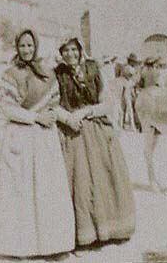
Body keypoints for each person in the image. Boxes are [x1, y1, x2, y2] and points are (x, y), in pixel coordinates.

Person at [0, 29, 75, 258]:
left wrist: (67, 118)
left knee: (48, 191)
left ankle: (53, 246)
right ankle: (21, 247)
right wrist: (34, 117)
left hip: (44, 139)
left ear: (36, 46)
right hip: (20, 136)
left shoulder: (47, 74)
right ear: (17, 48)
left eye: (30, 45)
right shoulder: (10, 74)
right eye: (22, 46)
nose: (26, 50)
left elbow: (54, 106)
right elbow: (6, 107)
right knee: (22, 192)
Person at [54, 37, 136, 249]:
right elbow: (53, 104)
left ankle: (108, 231)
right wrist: (69, 118)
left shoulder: (94, 68)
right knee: (79, 183)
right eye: (65, 50)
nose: (70, 54)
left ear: (80, 50)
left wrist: (86, 111)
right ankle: (83, 234)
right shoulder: (58, 74)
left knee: (103, 179)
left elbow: (107, 102)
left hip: (95, 128)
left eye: (73, 49)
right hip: (73, 131)